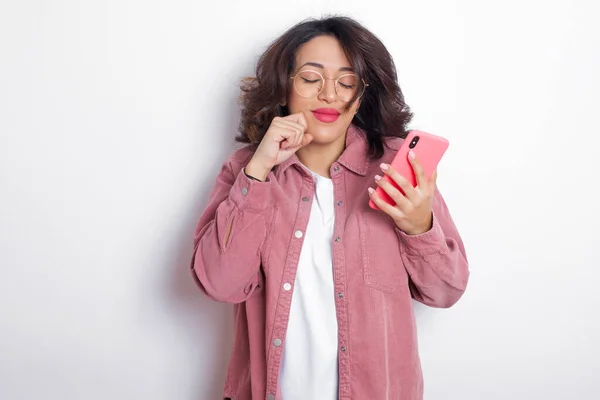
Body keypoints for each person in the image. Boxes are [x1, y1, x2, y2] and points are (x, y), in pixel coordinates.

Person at [190, 15, 469, 400]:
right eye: (310, 78)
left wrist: (419, 226)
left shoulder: (397, 167)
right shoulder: (245, 169)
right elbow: (220, 283)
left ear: (361, 95)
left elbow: (445, 292)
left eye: (347, 81)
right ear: (284, 87)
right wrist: (258, 171)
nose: (330, 94)